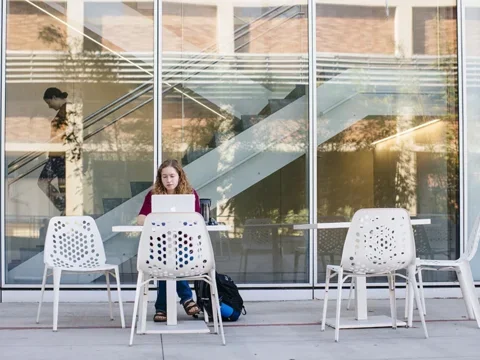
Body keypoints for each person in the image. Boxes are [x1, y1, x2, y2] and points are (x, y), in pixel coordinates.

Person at [137, 159, 202, 322]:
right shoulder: (154, 195)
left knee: (168, 260)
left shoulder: (190, 194)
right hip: (160, 245)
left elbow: (197, 220)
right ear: (160, 178)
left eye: (172, 176)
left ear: (180, 176)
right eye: (164, 176)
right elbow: (140, 219)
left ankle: (161, 308)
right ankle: (187, 298)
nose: (168, 180)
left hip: (185, 247)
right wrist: (157, 221)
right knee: (166, 256)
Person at [37, 87, 68, 215]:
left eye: (49, 103)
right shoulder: (64, 110)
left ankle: (66, 208)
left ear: (55, 98)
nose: (49, 107)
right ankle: (65, 207)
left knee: (52, 182)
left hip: (61, 154)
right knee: (48, 182)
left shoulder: (68, 109)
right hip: (57, 154)